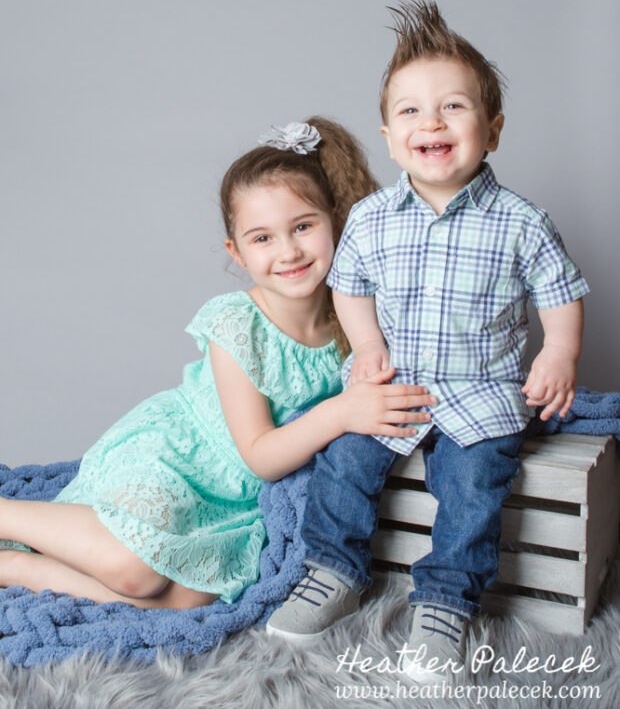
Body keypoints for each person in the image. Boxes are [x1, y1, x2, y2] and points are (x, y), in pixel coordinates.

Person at [266, 2, 589, 680]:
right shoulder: (373, 220)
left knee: (473, 485)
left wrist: (558, 352)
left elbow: (559, 294)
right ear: (388, 137)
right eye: (410, 111)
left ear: (492, 130)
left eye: (452, 107)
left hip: (482, 394)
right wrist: (366, 344)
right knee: (345, 460)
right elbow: (349, 285)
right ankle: (332, 569)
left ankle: (444, 601)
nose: (432, 122)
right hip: (397, 387)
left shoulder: (522, 222)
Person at [0, 117, 435, 610]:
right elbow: (258, 453)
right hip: (180, 459)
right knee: (134, 573)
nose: (288, 251)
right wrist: (342, 412)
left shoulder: (356, 322)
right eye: (262, 238)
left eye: (303, 226)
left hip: (236, 502)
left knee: (193, 597)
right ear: (237, 252)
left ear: (336, 221)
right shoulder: (236, 324)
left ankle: (15, 567)